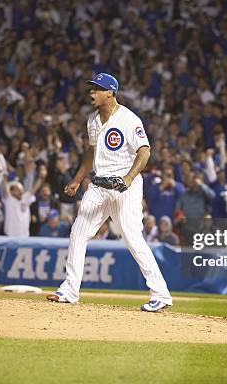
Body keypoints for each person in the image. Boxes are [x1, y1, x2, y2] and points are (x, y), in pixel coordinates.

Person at [47, 73, 172, 312]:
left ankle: (161, 293)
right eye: (91, 89)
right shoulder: (93, 120)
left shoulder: (128, 119)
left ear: (110, 93)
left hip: (125, 186)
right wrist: (76, 179)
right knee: (78, 232)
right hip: (98, 186)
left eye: (97, 89)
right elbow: (91, 152)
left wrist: (128, 178)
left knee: (132, 238)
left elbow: (144, 152)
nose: (92, 93)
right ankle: (70, 290)